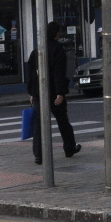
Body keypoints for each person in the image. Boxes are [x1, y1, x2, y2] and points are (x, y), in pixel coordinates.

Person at [26, 21, 81, 165]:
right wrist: (60, 92)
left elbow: (31, 73)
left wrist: (31, 92)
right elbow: (59, 73)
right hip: (53, 92)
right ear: (56, 34)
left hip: (39, 92)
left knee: (38, 124)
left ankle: (39, 155)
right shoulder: (57, 50)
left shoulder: (37, 50)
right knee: (63, 121)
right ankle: (69, 148)